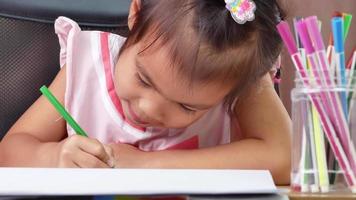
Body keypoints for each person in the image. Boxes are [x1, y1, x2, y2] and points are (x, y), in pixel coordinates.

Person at [0, 0, 292, 184]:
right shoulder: (88, 65)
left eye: (187, 107)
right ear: (136, 13)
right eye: (144, 79)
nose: (150, 109)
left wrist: (148, 164)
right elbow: (9, 153)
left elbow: (286, 157)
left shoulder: (236, 74)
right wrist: (54, 158)